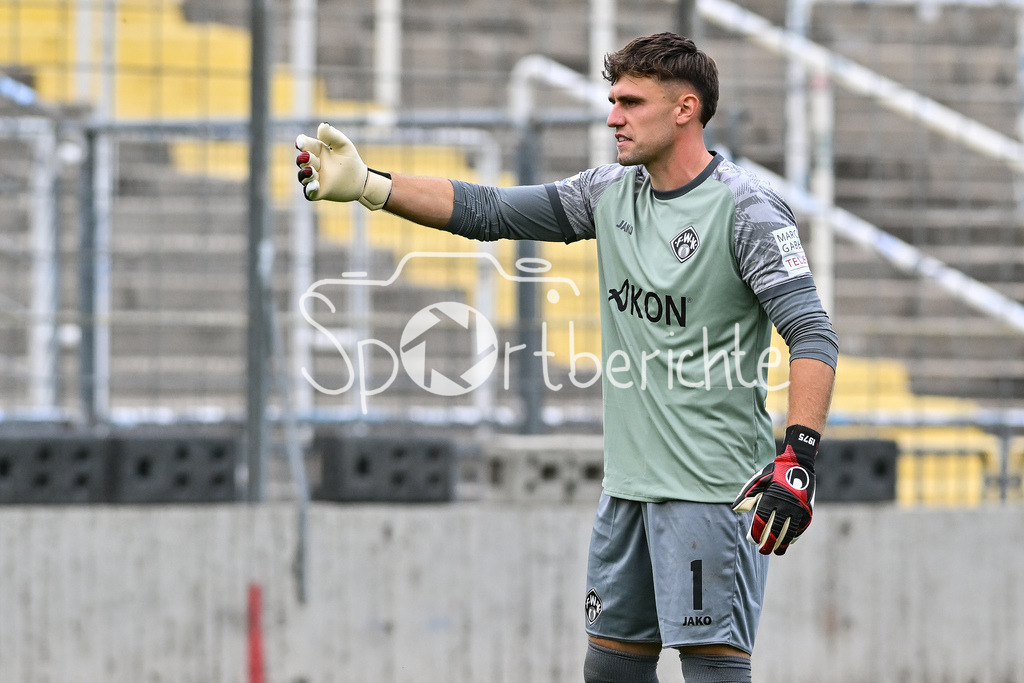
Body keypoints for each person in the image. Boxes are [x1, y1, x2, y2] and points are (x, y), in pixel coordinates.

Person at [295, 32, 837, 683]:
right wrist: (370, 186)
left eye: (631, 102)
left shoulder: (747, 211)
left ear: (685, 108)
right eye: (612, 101)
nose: (613, 116)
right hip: (627, 492)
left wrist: (797, 456)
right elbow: (489, 209)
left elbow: (812, 334)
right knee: (609, 670)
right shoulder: (609, 192)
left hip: (712, 493)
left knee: (713, 672)